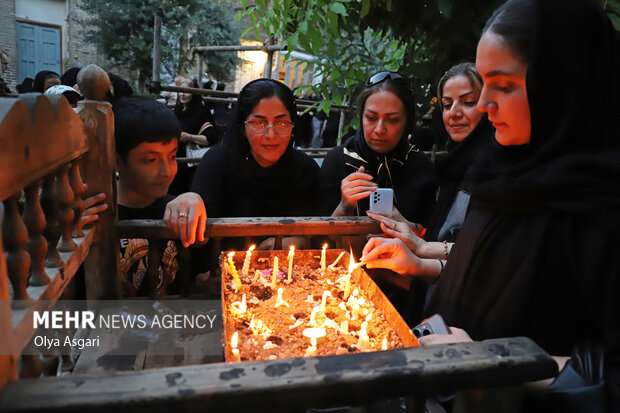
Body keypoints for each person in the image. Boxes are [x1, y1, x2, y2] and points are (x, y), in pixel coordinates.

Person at [361, 0, 620, 410]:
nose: (483, 106)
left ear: (562, 86)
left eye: (504, 85)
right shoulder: (499, 176)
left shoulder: (603, 208)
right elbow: (488, 273)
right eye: (485, 85)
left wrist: (492, 361)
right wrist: (420, 265)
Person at [368, 63, 494, 323]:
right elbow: (445, 234)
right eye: (447, 105)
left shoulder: (495, 169)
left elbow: (485, 256)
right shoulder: (452, 168)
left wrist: (420, 253)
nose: (454, 113)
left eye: (468, 102)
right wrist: (409, 228)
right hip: (434, 300)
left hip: (467, 314)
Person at [191, 78, 320, 253]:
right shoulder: (218, 162)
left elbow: (320, 233)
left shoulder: (306, 169)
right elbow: (197, 241)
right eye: (258, 123)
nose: (271, 134)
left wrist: (294, 241)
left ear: (293, 128)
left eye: (281, 123)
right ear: (243, 128)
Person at [114, 97, 207, 296]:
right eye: (151, 159)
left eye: (172, 156)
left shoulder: (176, 210)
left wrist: (194, 198)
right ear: (117, 160)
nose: (167, 171)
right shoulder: (96, 213)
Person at [320, 71, 437, 228]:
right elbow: (315, 241)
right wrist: (344, 207)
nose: (380, 129)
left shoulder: (420, 166)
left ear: (407, 121)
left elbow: (433, 238)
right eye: (371, 118)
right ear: (361, 116)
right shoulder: (338, 160)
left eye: (392, 120)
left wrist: (407, 226)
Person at [168, 77, 218, 195]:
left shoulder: (202, 112)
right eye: (180, 91)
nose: (182, 94)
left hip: (192, 165)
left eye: (186, 91)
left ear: (194, 93)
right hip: (176, 159)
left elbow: (211, 139)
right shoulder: (178, 110)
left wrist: (189, 137)